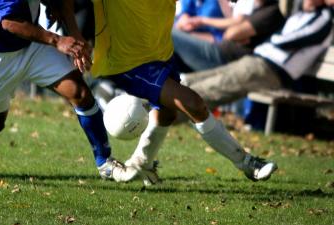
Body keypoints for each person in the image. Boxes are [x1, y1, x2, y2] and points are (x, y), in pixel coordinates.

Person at [91, 0, 278, 185]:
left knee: (166, 113)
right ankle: (247, 163)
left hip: (158, 55)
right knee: (193, 104)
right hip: (127, 62)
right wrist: (67, 36)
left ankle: (141, 163)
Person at [0, 0, 129, 183]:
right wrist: (58, 40)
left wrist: (74, 33)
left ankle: (105, 162)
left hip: (31, 47)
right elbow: (10, 22)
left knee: (79, 92)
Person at [181, 4, 333, 110]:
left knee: (206, 89)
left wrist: (267, 40)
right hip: (258, 61)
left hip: (271, 70)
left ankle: (168, 108)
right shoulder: (298, 14)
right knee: (194, 80)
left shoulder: (325, 18)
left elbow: (293, 39)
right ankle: (167, 101)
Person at [173, 0, 285, 72]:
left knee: (170, 34)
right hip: (220, 50)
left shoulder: (270, 10)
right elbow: (234, 28)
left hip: (223, 57)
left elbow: (230, 33)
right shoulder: (256, 6)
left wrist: (202, 21)